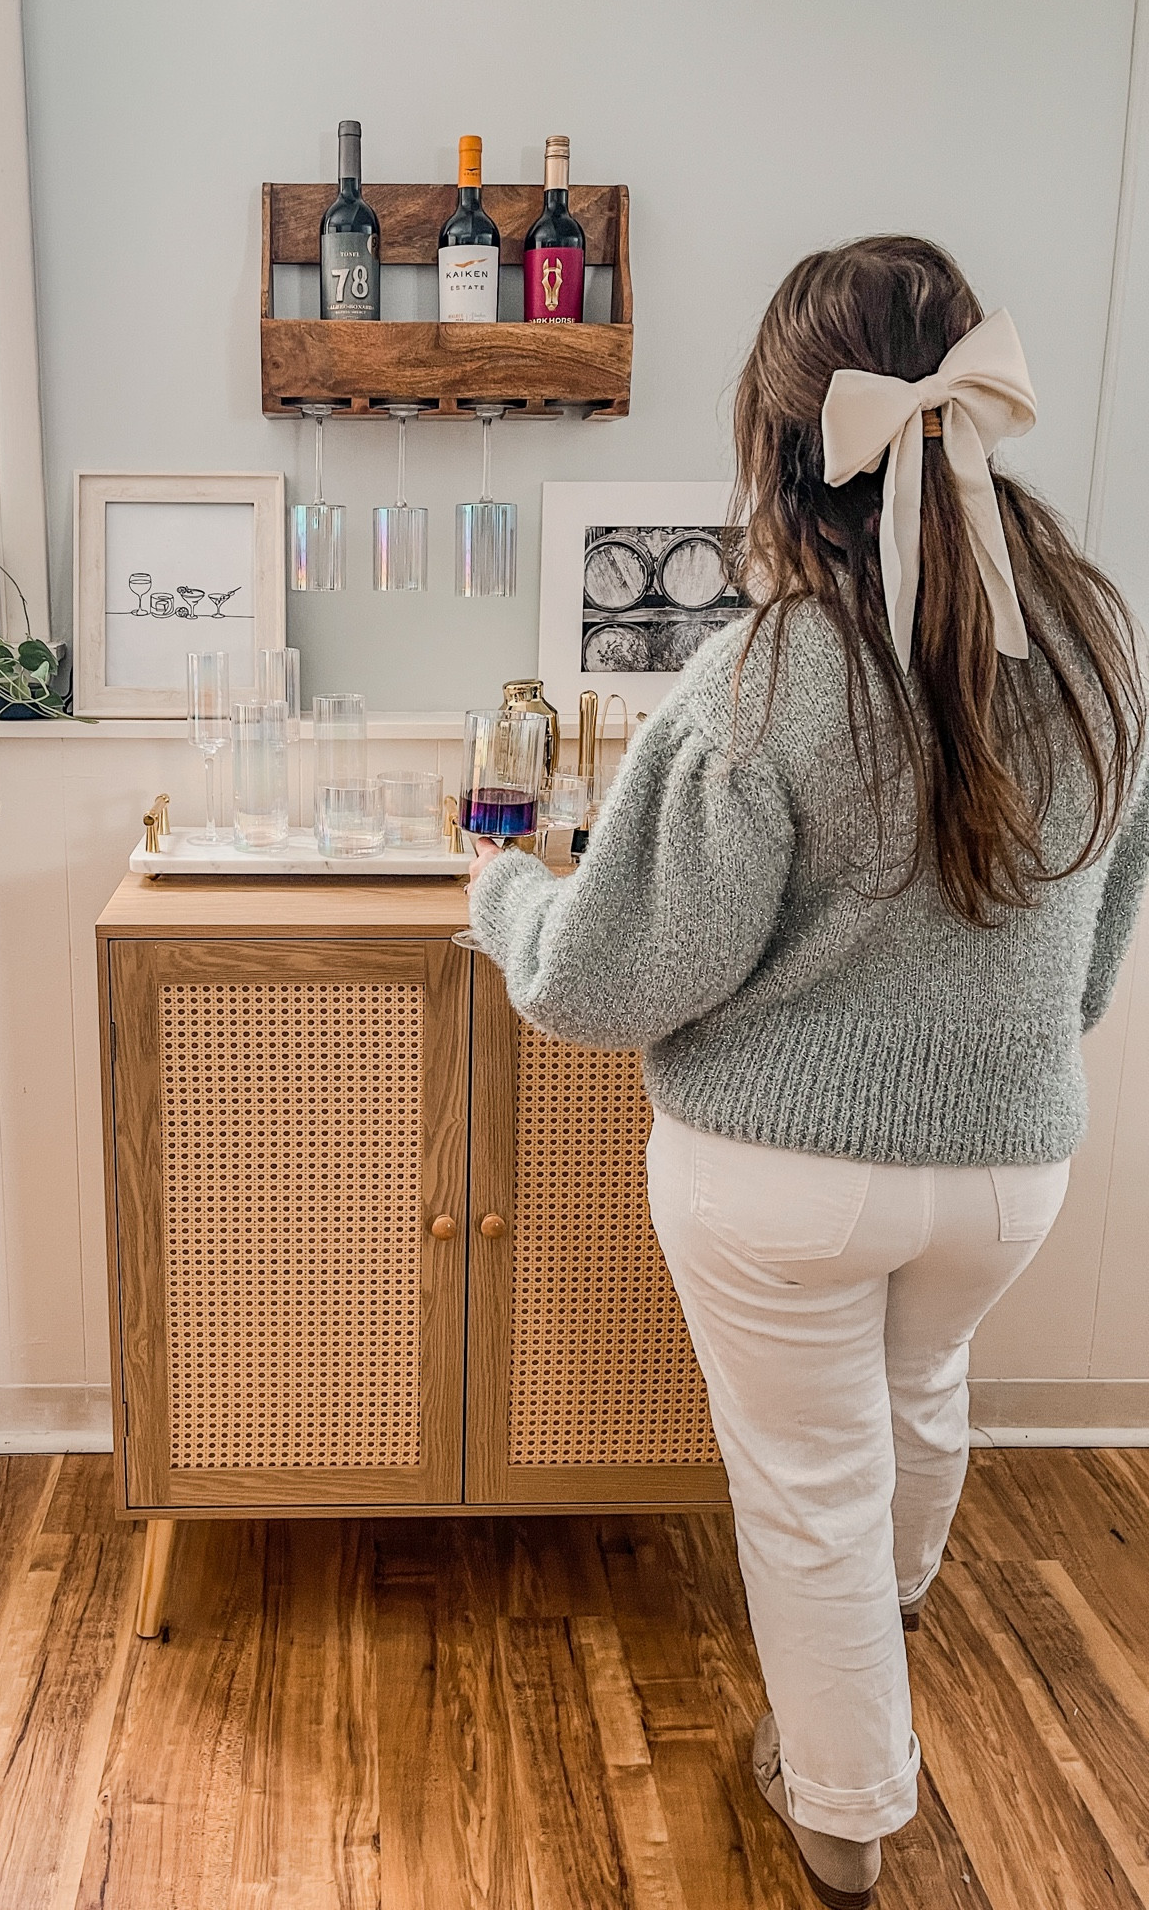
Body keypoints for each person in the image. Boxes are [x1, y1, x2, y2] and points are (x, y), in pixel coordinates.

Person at [467, 234, 1149, 1910]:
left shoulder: (763, 678)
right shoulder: (1094, 642)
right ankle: (889, 1620)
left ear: (785, 439)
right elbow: (1095, 935)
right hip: (1010, 1169)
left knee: (807, 1486)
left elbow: (607, 979)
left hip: (784, 1174)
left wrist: (500, 896)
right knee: (921, 1395)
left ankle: (845, 1811)